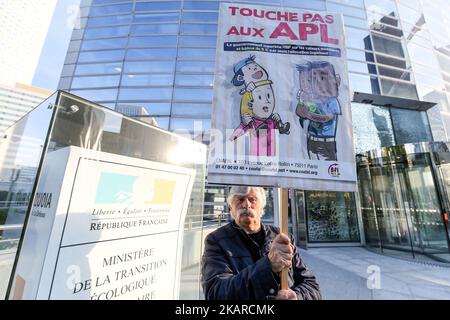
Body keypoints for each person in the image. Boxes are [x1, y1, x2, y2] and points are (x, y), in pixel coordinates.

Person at [201, 186, 321, 300]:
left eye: (252, 199)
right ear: (231, 206)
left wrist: (297, 296)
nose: (246, 205)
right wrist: (268, 266)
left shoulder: (282, 237)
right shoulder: (216, 241)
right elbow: (216, 293)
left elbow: (311, 285)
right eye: (240, 199)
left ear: (262, 206)